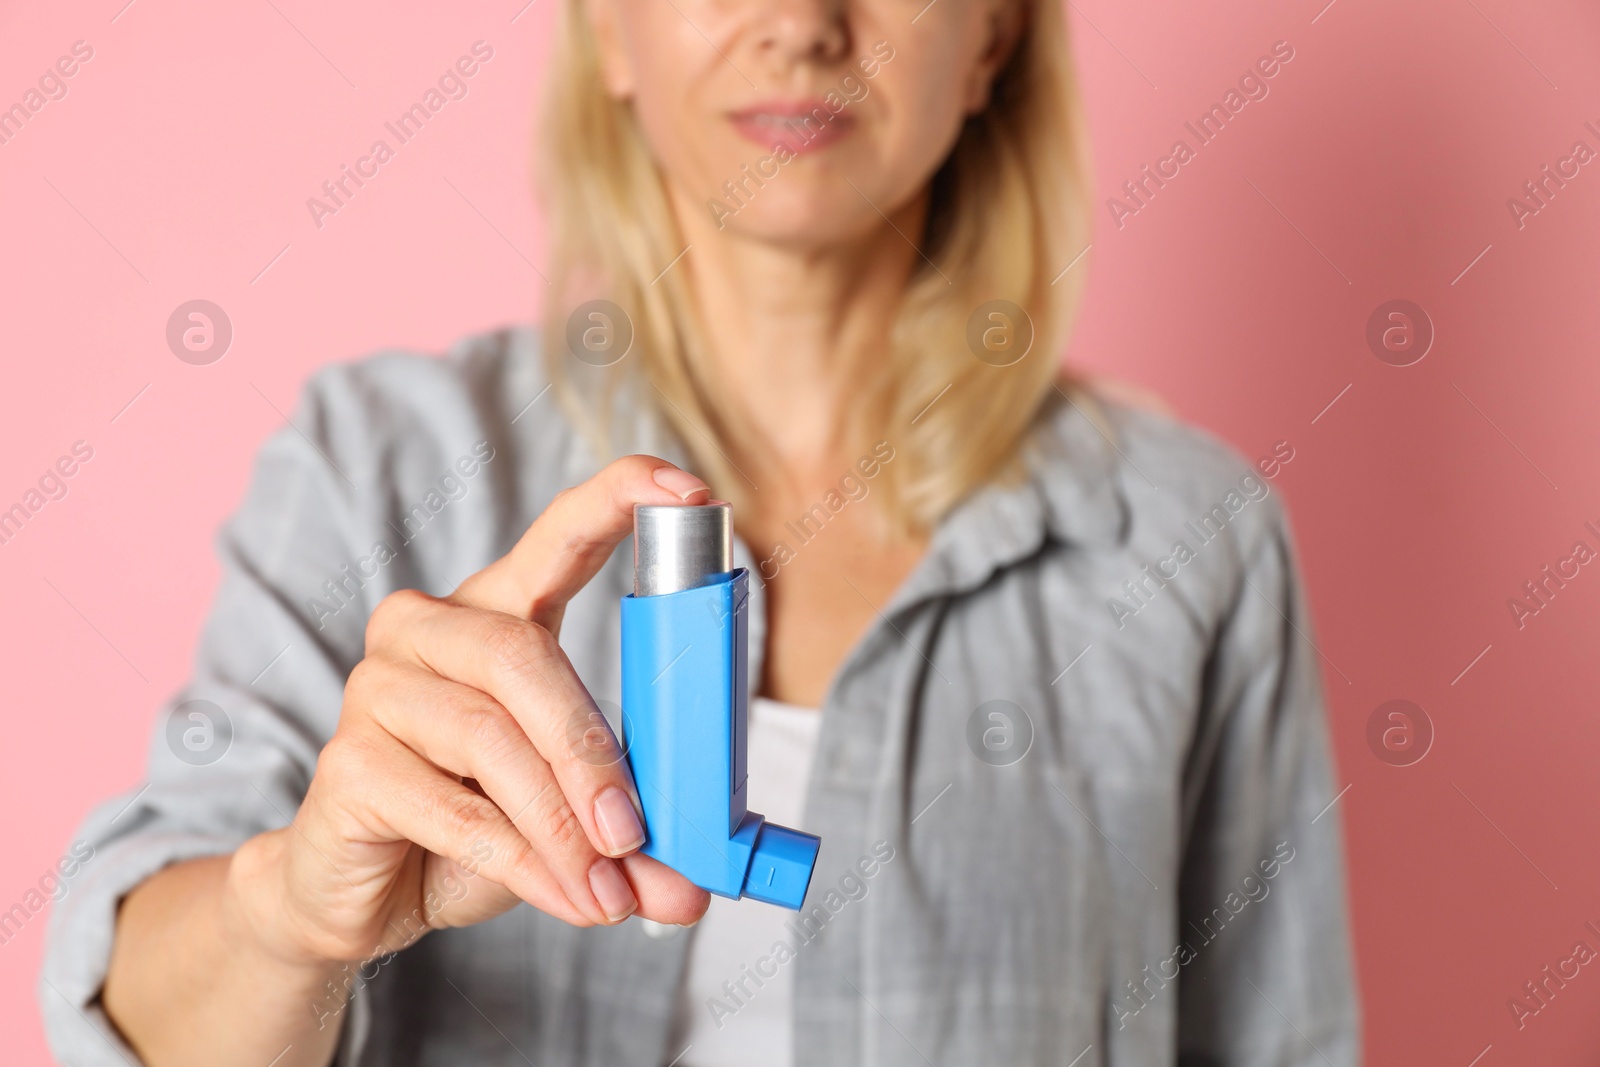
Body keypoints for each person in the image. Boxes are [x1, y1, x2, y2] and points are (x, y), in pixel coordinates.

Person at [40, 0, 1359, 1064]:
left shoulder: (1187, 536)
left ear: (995, 39)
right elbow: (138, 1013)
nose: (801, 24)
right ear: (609, 31)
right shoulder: (377, 467)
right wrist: (289, 917)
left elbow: (1284, 1040)